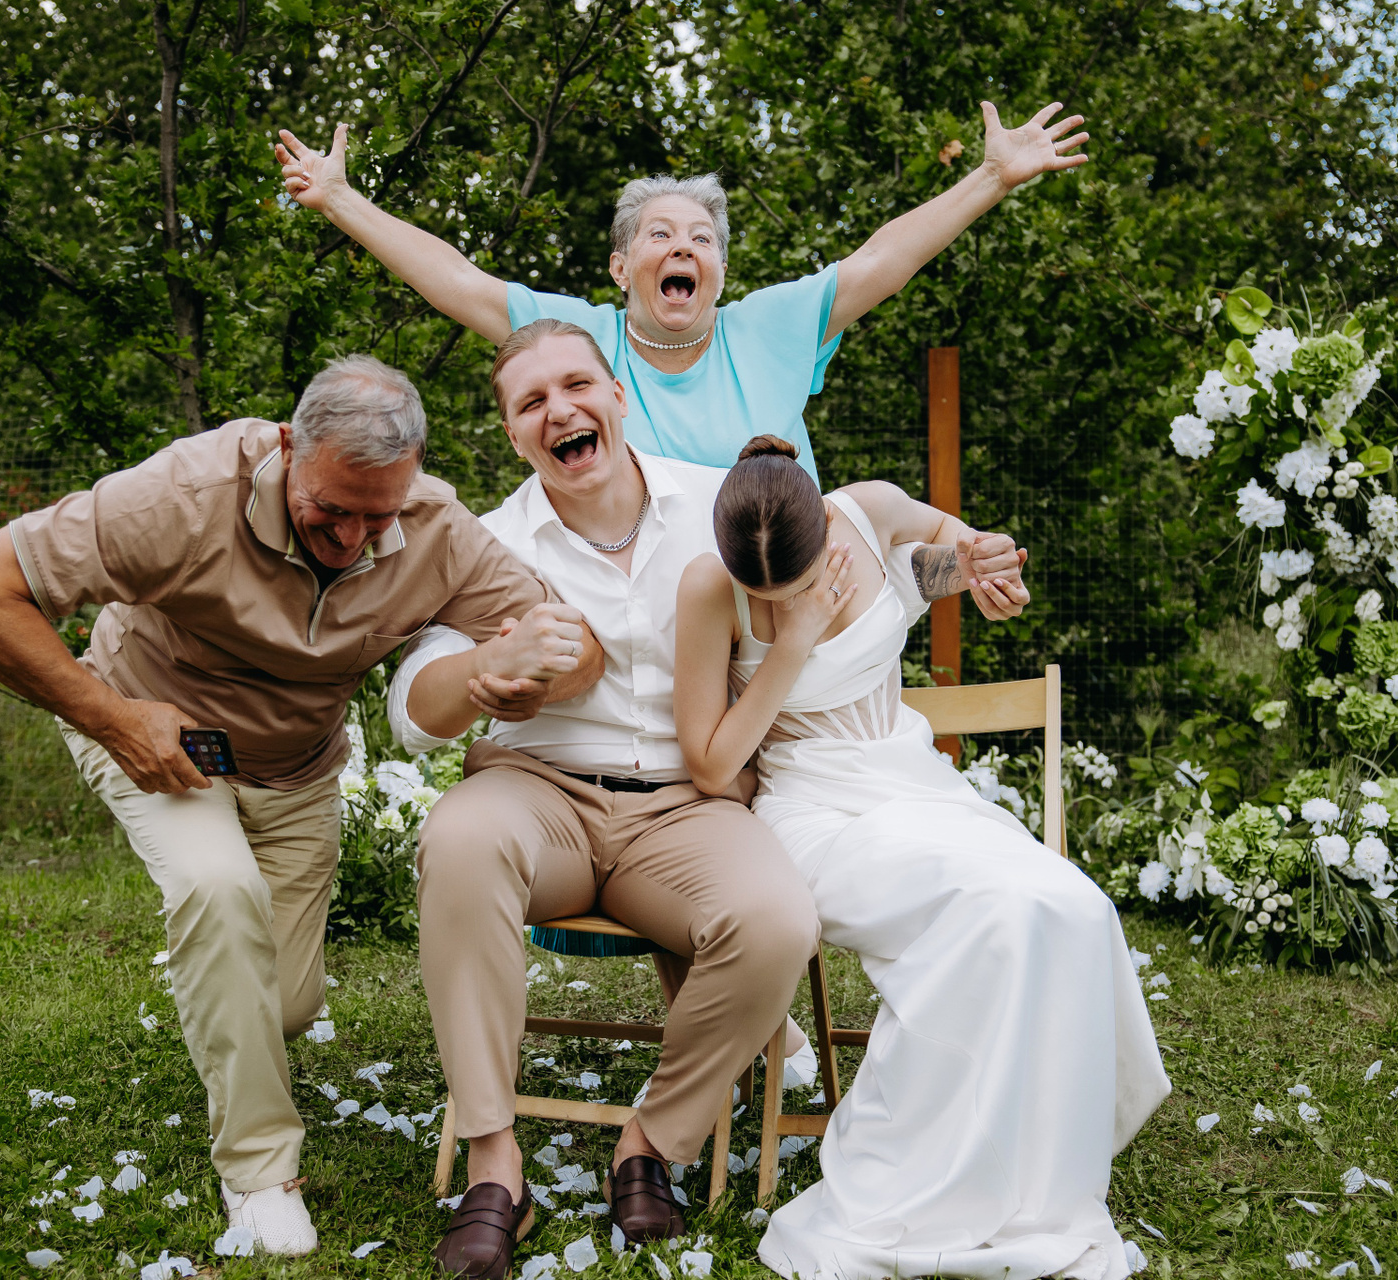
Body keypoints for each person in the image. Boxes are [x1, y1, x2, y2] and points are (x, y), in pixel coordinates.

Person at [385, 321, 1031, 1280]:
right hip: (538, 793)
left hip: (691, 806)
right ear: (513, 433)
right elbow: (411, 706)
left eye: (576, 386)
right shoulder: (486, 544)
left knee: (776, 920)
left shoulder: (721, 505)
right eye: (531, 402)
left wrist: (961, 565)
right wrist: (482, 670)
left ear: (616, 395)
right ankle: (494, 1163)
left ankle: (652, 1140)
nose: (559, 411)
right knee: (460, 840)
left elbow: (858, 568)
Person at [0, 354, 601, 1257]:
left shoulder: (435, 526)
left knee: (284, 1004)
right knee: (218, 889)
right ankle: (259, 1176)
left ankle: (224, 978)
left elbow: (577, 646)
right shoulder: (184, 496)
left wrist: (532, 675)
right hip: (158, 739)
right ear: (288, 447)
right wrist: (111, 718)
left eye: (378, 517)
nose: (352, 538)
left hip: (299, 770)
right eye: (331, 509)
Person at [672, 437, 1171, 1280]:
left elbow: (954, 553)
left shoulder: (870, 511)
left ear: (823, 529)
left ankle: (1031, 1152)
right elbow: (714, 767)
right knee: (983, 915)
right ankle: (918, 1174)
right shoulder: (707, 589)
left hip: (914, 781)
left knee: (1074, 904)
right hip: (812, 809)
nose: (779, 603)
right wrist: (791, 644)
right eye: (765, 596)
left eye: (795, 586)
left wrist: (986, 571)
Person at [273, 101, 1090, 478]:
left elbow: (884, 260)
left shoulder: (769, 327)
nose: (683, 249)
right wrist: (340, 200)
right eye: (660, 235)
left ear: (721, 273)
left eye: (702, 240)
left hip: (782, 594)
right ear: (620, 267)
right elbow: (455, 279)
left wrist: (990, 178)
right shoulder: (575, 344)